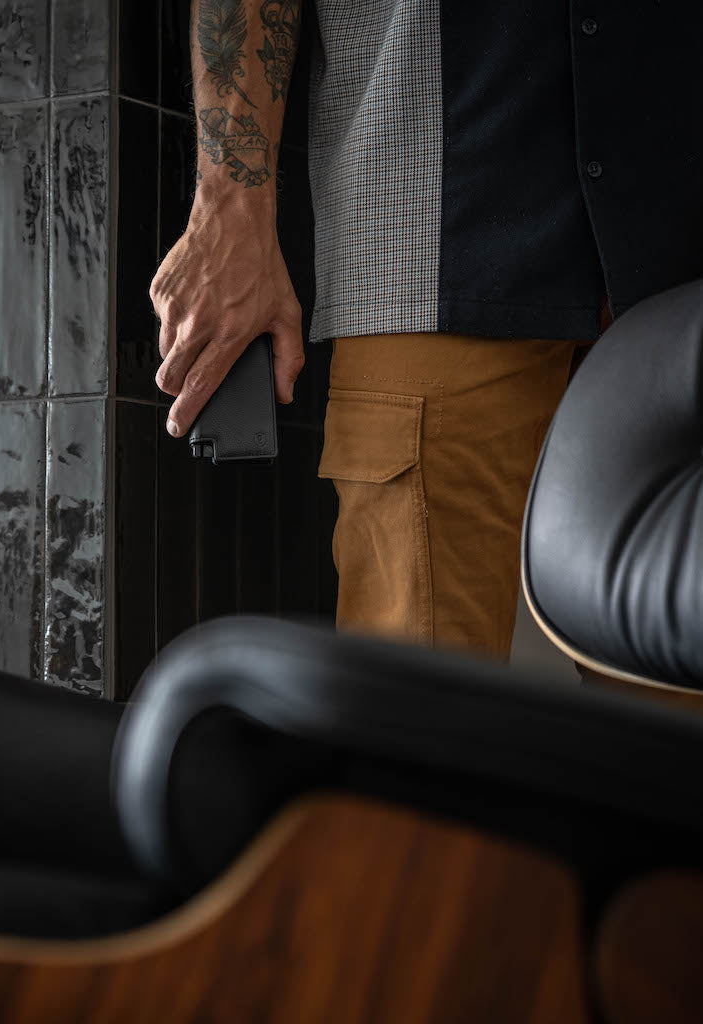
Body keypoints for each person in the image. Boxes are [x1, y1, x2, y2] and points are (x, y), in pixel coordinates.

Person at [149, 1, 703, 677]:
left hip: (682, 270)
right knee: (415, 706)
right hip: (426, 237)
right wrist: (229, 207)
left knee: (680, 721)